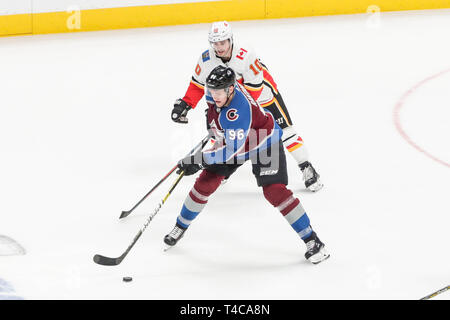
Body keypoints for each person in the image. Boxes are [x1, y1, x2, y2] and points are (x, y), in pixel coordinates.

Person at [164, 66, 329, 264]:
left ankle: (313, 240)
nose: (214, 95)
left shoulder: (237, 110)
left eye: (219, 91)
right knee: (205, 183)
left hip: (263, 140)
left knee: (275, 191)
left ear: (231, 89)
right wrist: (214, 131)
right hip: (237, 139)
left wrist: (198, 160)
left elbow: (230, 151)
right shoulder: (216, 93)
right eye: (212, 90)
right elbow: (214, 115)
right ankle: (180, 226)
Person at [170, 21, 323, 192]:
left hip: (264, 97)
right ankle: (223, 169)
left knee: (284, 131)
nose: (219, 47)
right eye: (215, 43)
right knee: (223, 136)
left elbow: (255, 89)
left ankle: (306, 166)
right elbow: (197, 84)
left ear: (230, 39)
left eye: (223, 42)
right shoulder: (206, 59)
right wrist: (186, 103)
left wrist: (238, 113)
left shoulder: (245, 55)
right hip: (231, 101)